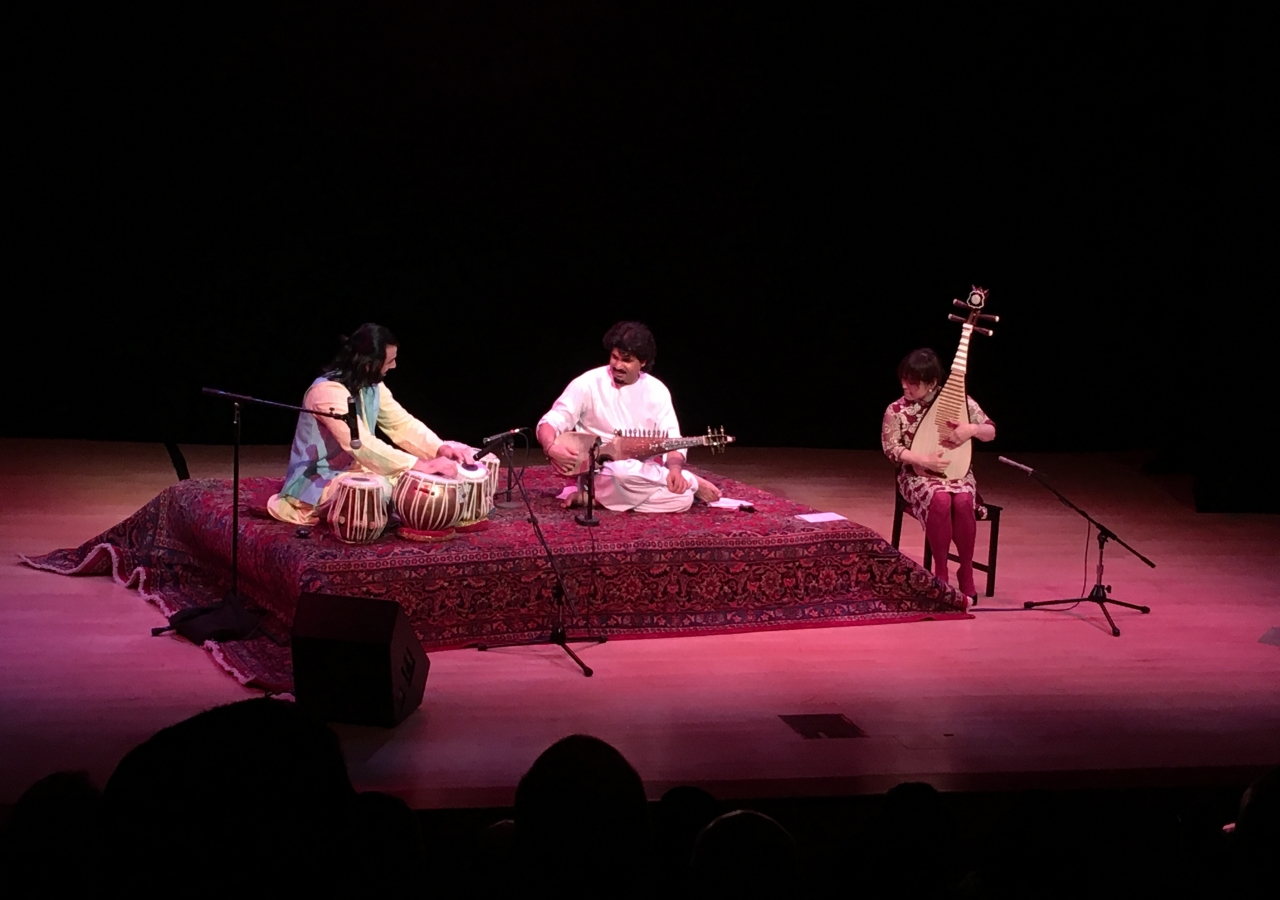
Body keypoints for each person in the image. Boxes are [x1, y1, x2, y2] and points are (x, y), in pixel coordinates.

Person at [267, 323, 471, 527]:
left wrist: (439, 449)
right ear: (368, 363)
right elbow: (361, 444)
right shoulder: (326, 392)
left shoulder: (372, 386)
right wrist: (419, 465)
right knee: (380, 491)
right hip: (316, 479)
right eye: (389, 361)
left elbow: (401, 423)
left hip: (356, 470)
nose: (394, 366)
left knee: (411, 482)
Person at [537, 321, 721, 513]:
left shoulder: (657, 391)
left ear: (642, 362)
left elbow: (673, 440)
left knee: (681, 498)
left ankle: (592, 500)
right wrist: (551, 447)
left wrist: (674, 470)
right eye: (614, 357)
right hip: (605, 475)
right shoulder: (588, 384)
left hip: (641, 476)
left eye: (626, 360)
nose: (617, 365)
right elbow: (551, 421)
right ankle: (692, 481)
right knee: (622, 473)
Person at [882, 348, 996, 597]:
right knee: (941, 499)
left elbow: (990, 432)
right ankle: (940, 571)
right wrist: (922, 459)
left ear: (932, 382)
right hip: (916, 475)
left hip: (958, 474)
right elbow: (891, 448)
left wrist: (972, 429)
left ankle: (965, 571)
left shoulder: (959, 403)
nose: (905, 386)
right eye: (904, 379)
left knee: (964, 500)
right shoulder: (896, 410)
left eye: (913, 382)